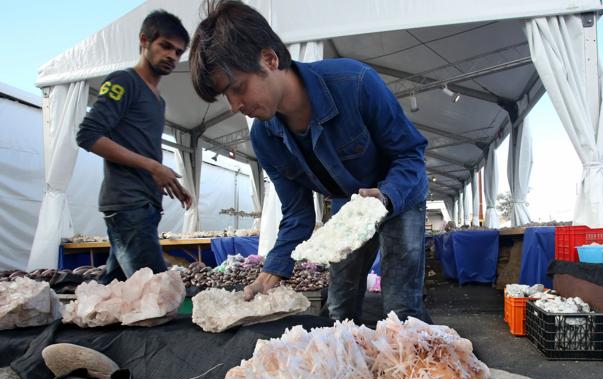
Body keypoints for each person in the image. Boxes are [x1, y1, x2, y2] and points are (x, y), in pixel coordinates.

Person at [189, 0, 429, 323]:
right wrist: (274, 269)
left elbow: (410, 155)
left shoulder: (356, 84)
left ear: (269, 59)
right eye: (226, 96)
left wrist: (385, 197)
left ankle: (419, 351)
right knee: (339, 306)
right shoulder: (265, 138)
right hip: (351, 201)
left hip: (399, 194)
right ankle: (347, 354)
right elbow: (298, 213)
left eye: (238, 88)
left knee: (401, 308)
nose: (234, 106)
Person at [76, 10, 192, 284]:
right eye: (165, 46)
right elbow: (88, 135)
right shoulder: (124, 82)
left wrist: (166, 177)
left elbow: (141, 147)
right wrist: (152, 166)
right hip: (128, 204)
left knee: (114, 287)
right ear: (144, 40)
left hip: (145, 204)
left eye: (178, 52)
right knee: (156, 291)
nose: (172, 56)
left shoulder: (158, 100)